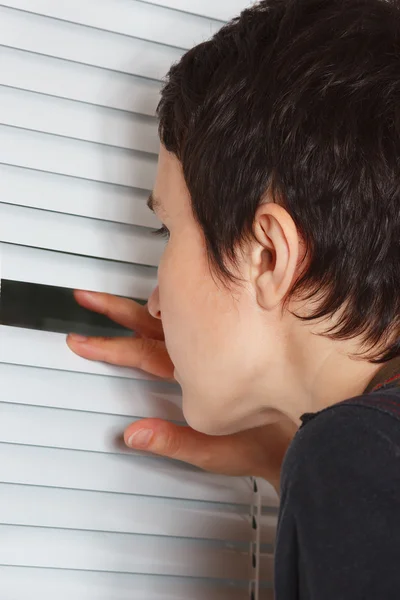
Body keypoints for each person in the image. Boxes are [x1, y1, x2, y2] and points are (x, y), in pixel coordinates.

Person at [67, 0, 400, 596]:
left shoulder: (360, 456)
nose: (157, 305)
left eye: (168, 230)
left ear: (267, 255)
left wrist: (336, 470)